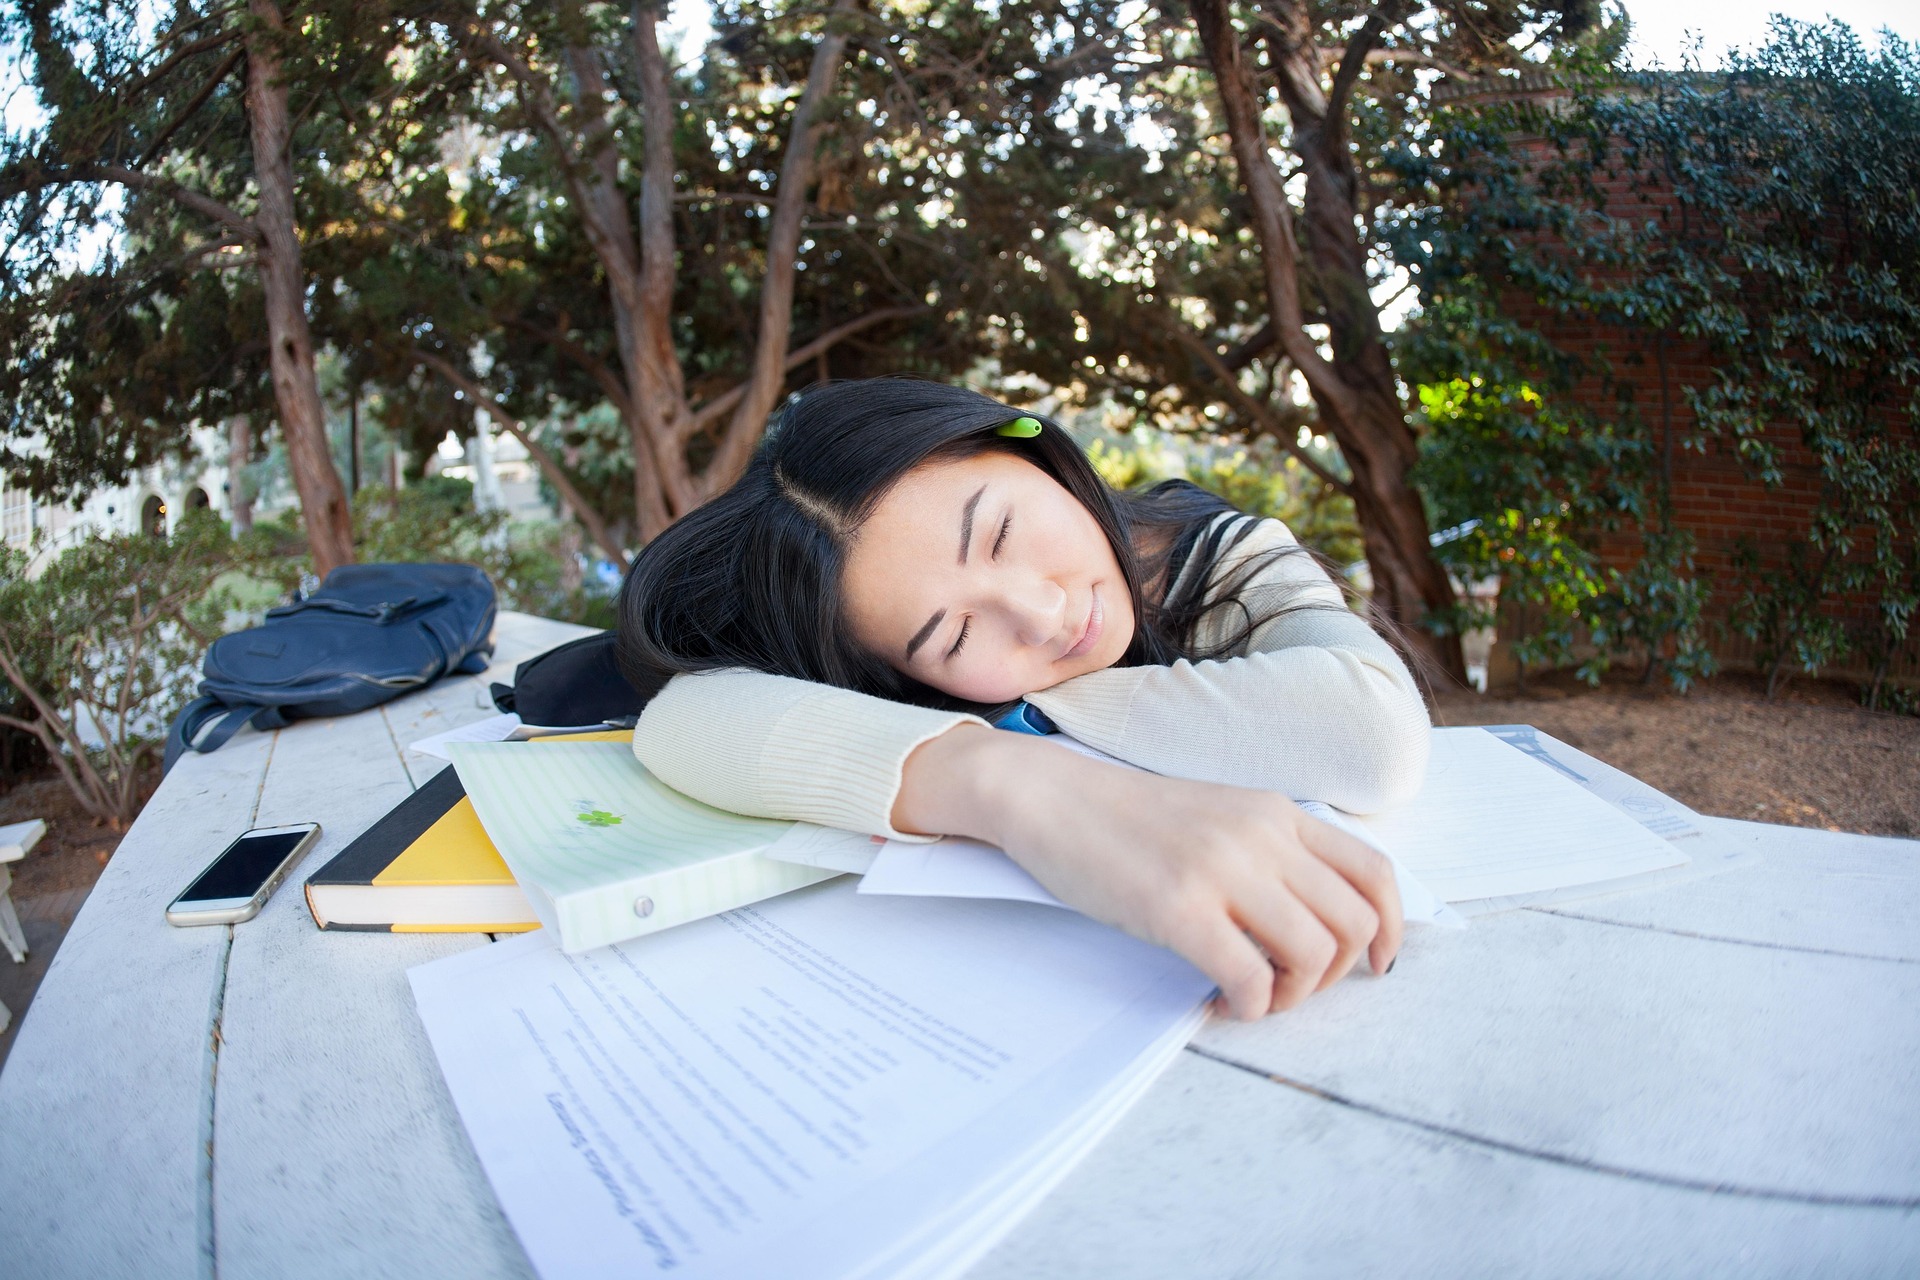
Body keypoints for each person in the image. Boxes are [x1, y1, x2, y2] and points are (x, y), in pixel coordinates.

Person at [616, 378, 1431, 1019]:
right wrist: (1017, 784)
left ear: (1024, 447)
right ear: (911, 680)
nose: (1042, 615)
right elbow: (683, 719)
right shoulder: (942, 691)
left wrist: (1025, 712)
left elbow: (1371, 735)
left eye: (1000, 533)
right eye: (955, 638)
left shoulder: (1229, 556)